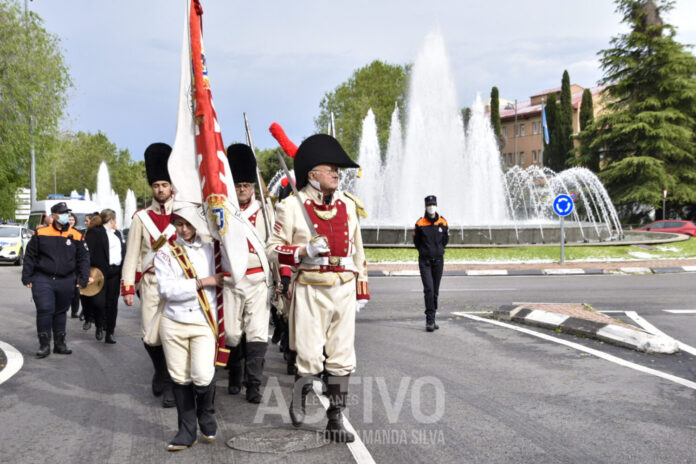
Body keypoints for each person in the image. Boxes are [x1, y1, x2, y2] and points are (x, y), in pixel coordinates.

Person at [266, 132, 369, 443]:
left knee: (342, 355)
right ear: (312, 175)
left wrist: (361, 289)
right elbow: (272, 248)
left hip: (343, 286)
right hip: (310, 286)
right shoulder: (290, 208)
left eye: (338, 170)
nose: (337, 174)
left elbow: (358, 251)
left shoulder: (348, 206)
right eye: (330, 169)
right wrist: (301, 252)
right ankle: (299, 396)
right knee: (309, 354)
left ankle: (335, 419)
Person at [154, 203, 224, 451]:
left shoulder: (212, 249)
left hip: (204, 322)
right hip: (173, 323)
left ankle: (206, 413)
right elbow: (167, 290)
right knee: (180, 379)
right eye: (178, 224)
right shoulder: (164, 252)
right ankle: (186, 431)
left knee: (203, 377)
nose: (183, 229)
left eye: (188, 223)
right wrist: (204, 282)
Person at [121, 143, 177, 407]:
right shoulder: (140, 218)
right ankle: (159, 369)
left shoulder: (184, 214)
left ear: (171, 186)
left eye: (164, 184)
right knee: (149, 335)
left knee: (173, 333)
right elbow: (132, 255)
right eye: (156, 185)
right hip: (152, 283)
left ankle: (169, 382)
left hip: (179, 283)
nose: (160, 190)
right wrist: (128, 288)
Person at [223, 143, 274, 403]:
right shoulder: (223, 211)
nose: (242, 189)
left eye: (246, 185)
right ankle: (235, 370)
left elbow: (273, 245)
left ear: (252, 187)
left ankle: (254, 384)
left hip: (258, 280)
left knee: (256, 332)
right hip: (231, 280)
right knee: (232, 333)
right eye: (238, 185)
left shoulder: (265, 211)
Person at [21, 202, 90, 358]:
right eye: (62, 213)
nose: (66, 215)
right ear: (53, 216)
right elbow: (30, 256)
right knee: (45, 309)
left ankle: (60, 344)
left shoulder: (76, 235)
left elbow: (84, 259)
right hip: (43, 278)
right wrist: (26, 276)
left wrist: (83, 278)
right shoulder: (41, 233)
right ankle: (44, 345)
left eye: (67, 212)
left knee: (60, 312)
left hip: (66, 280)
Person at [84, 209, 125, 344]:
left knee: (112, 303)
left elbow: (122, 251)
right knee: (99, 302)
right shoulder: (95, 232)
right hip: (100, 272)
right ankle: (99, 325)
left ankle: (110, 331)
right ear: (112, 219)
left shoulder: (117, 233)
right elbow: (88, 254)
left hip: (115, 272)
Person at [413, 195, 449, 332]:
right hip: (425, 261)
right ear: (425, 207)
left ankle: (433, 318)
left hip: (438, 261)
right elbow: (417, 242)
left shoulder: (443, 222)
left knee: (435, 292)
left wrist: (438, 250)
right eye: (429, 204)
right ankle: (429, 321)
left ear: (436, 205)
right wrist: (425, 251)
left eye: (433, 204)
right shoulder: (420, 223)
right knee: (429, 289)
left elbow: (445, 240)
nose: (431, 206)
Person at [67, 213, 82, 319]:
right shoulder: (62, 232)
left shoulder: (78, 233)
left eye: (72, 219)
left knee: (76, 290)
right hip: (66, 265)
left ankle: (74, 311)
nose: (71, 221)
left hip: (76, 266)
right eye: (69, 219)